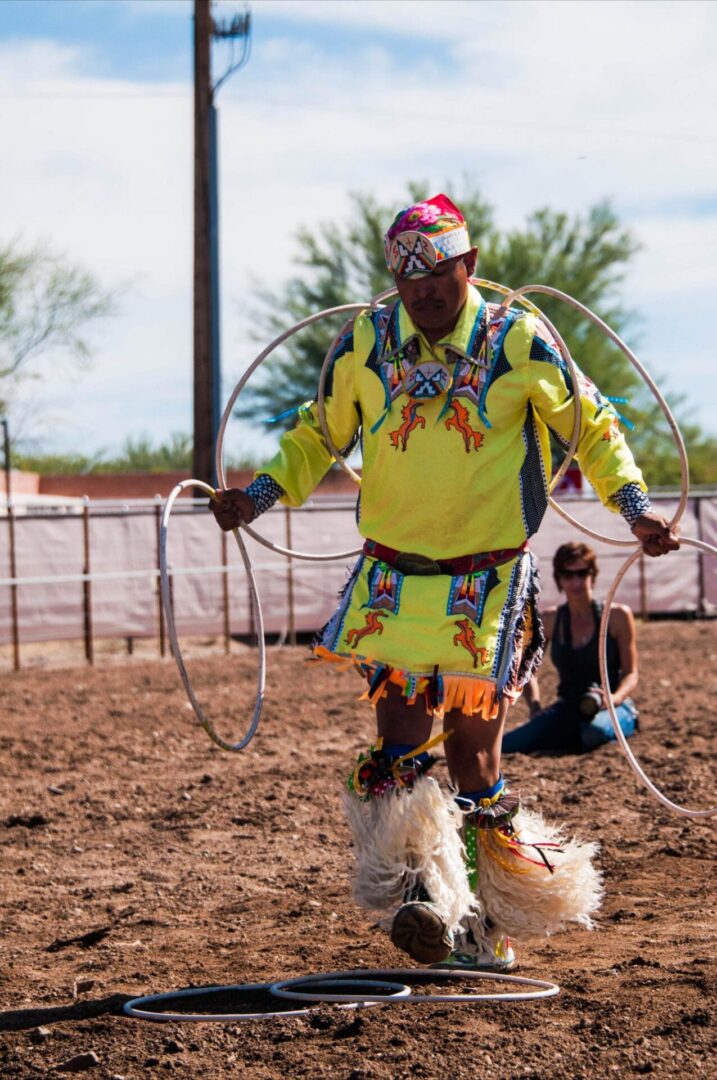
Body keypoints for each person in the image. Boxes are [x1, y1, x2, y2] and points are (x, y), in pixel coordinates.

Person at [211, 194, 678, 971]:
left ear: (469, 266)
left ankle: (485, 925)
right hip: (392, 581)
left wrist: (633, 511)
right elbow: (318, 435)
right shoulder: (364, 342)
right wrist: (256, 496)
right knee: (394, 749)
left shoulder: (520, 341)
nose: (423, 290)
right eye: (408, 278)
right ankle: (427, 898)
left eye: (438, 274)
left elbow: (591, 428)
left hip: (484, 586)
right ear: (393, 280)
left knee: (473, 754)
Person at [504, 542, 639, 755]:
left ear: (592, 574)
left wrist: (615, 697)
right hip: (568, 706)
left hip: (612, 706)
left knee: (594, 733)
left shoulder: (617, 616)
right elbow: (527, 670)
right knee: (507, 744)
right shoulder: (550, 619)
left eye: (582, 573)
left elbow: (631, 673)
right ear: (558, 579)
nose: (576, 581)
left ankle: (616, 724)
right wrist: (535, 706)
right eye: (568, 574)